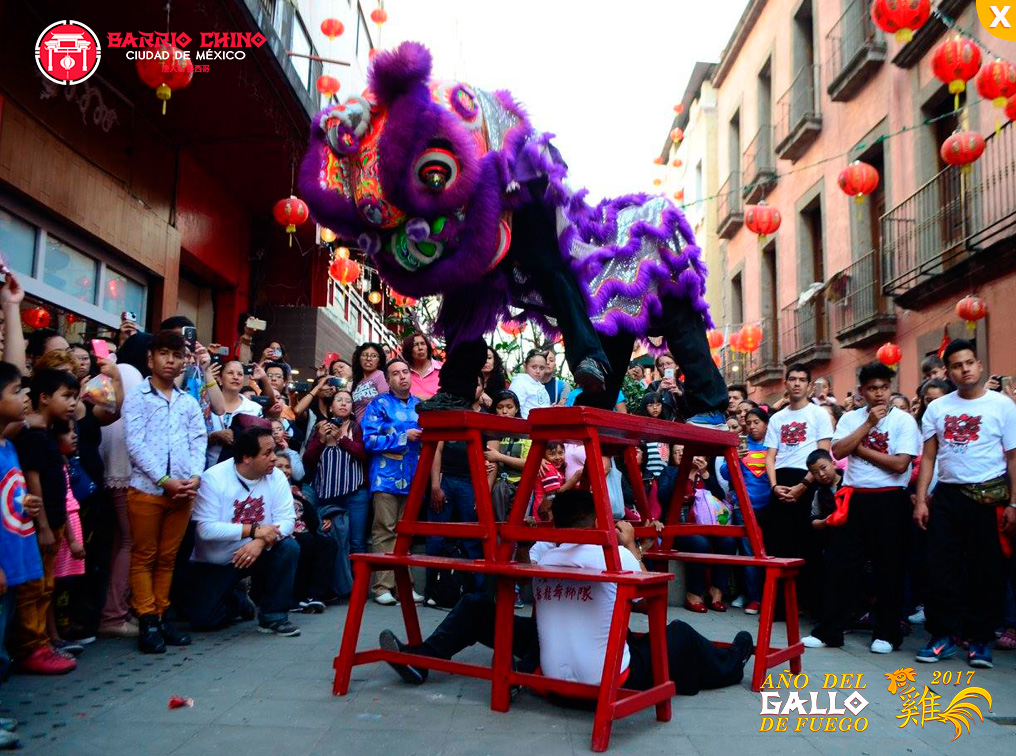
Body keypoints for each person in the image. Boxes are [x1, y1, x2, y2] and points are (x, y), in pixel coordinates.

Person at [379, 490, 753, 696]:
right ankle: (734, 659)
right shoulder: (617, 555)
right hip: (607, 682)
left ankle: (504, 667)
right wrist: (633, 546)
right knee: (679, 635)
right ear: (596, 521)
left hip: (547, 679)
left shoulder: (543, 549)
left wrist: (533, 529)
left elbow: (524, 562)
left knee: (481, 607)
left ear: (554, 522)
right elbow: (646, 601)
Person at [802, 362, 920, 654]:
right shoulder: (851, 418)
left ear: (890, 389)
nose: (879, 394)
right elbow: (838, 451)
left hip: (891, 500)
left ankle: (887, 633)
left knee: (889, 569)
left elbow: (899, 464)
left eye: (884, 388)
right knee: (840, 566)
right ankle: (830, 631)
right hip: (854, 498)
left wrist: (860, 448)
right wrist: (867, 424)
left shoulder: (903, 421)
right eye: (872, 389)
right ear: (861, 392)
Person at [914, 340, 1016, 668]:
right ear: (949, 371)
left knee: (987, 571)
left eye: (970, 362)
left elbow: (1013, 458)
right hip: (947, 496)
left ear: (980, 365)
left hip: (989, 497)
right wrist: (920, 501)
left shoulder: (1003, 406)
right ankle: (942, 635)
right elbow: (928, 456)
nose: (965, 369)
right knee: (938, 567)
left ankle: (980, 640)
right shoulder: (938, 408)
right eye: (957, 365)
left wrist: (1015, 503)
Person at [122, 330, 207, 654]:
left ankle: (161, 614)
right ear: (150, 358)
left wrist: (195, 476)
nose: (171, 361)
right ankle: (146, 620)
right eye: (164, 354)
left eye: (177, 355)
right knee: (144, 556)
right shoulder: (138, 397)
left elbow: (198, 439)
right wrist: (162, 480)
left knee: (169, 557)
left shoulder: (187, 402)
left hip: (183, 491)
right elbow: (134, 444)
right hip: (146, 490)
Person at [188, 427, 300, 636]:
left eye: (274, 451)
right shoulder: (214, 478)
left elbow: (287, 521)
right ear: (247, 458)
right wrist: (253, 530)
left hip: (258, 552)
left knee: (289, 547)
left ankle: (274, 617)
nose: (274, 458)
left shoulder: (276, 477)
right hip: (218, 560)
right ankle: (239, 602)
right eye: (267, 453)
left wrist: (260, 541)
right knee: (203, 619)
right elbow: (205, 529)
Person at [11, 368, 79, 674]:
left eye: (75, 397)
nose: (72, 403)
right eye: (65, 396)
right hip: (42, 524)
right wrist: (42, 527)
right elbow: (33, 481)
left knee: (46, 586)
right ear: (43, 397)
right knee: (34, 588)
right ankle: (30, 646)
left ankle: (41, 642)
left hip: (54, 521)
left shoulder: (50, 434)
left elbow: (60, 486)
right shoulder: (34, 437)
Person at [763, 363, 833, 611]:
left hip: (809, 481)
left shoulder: (819, 414)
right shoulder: (778, 418)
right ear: (786, 383)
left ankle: (810, 604)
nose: (796, 384)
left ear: (809, 385)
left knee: (809, 545)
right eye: (792, 379)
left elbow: (823, 452)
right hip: (780, 482)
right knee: (778, 545)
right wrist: (774, 487)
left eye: (801, 380)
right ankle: (780, 606)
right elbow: (770, 455)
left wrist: (804, 485)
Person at [97, 333, 150, 638]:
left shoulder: (116, 371)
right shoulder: (131, 375)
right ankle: (114, 614)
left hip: (111, 469)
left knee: (120, 541)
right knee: (130, 543)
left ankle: (115, 609)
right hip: (124, 471)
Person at [362, 359, 423, 606]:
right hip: (385, 478)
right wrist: (402, 436)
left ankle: (405, 587)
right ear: (387, 380)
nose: (402, 377)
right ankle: (382, 587)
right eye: (395, 374)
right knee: (384, 530)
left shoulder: (421, 406)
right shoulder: (378, 405)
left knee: (405, 533)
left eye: (405, 372)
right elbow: (369, 440)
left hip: (413, 477)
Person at [0, 362, 47, 683]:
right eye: (16, 391)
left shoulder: (9, 448)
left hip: (14, 561)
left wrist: (24, 503)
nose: (25, 397)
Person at [302, 389, 368, 597]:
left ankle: (357, 588)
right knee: (329, 541)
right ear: (330, 406)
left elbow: (364, 454)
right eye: (339, 400)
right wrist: (321, 440)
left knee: (356, 542)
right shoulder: (320, 427)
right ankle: (331, 587)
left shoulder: (357, 428)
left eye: (348, 401)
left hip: (355, 493)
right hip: (326, 495)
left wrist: (341, 439)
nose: (343, 404)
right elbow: (308, 462)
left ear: (351, 408)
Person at [719, 407, 771, 615]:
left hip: (769, 507)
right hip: (744, 507)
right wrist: (734, 457)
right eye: (748, 423)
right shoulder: (739, 445)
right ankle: (754, 598)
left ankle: (768, 597)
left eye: (756, 422)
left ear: (766, 423)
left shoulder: (773, 446)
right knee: (750, 555)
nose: (752, 426)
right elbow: (725, 473)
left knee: (769, 553)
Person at [274, 454, 336, 613]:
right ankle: (296, 596)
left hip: (305, 530)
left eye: (287, 467)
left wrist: (322, 520)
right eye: (279, 466)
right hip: (280, 532)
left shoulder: (296, 489)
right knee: (305, 542)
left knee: (328, 543)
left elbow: (310, 514)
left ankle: (316, 596)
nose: (285, 470)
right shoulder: (268, 487)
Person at [206, 360, 264, 468]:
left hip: (242, 469)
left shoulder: (254, 408)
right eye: (230, 373)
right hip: (208, 468)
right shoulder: (205, 405)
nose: (236, 377)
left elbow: (259, 443)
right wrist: (213, 436)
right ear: (219, 378)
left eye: (240, 374)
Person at [485, 391, 530, 521]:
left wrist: (499, 457)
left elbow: (529, 464)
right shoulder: (492, 432)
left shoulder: (527, 432)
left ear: (516, 409)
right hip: (499, 487)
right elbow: (490, 460)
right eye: (500, 407)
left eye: (509, 407)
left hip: (523, 485)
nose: (504, 411)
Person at [350, 342, 389, 423]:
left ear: (379, 361)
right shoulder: (356, 381)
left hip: (375, 427)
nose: (368, 359)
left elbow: (385, 403)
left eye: (374, 356)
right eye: (364, 355)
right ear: (359, 359)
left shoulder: (380, 375)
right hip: (358, 430)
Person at [509, 349, 551, 419]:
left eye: (542, 368)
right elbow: (515, 409)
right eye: (534, 367)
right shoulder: (520, 383)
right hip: (526, 426)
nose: (538, 371)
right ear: (525, 367)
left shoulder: (539, 385)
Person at [404, 332, 443, 400]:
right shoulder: (403, 372)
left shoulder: (443, 368)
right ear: (409, 350)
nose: (420, 348)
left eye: (423, 344)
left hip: (438, 409)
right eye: (415, 345)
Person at [480, 347, 507, 411]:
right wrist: (480, 394)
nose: (486, 361)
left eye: (489, 358)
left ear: (495, 360)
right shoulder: (469, 377)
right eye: (482, 358)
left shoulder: (499, 379)